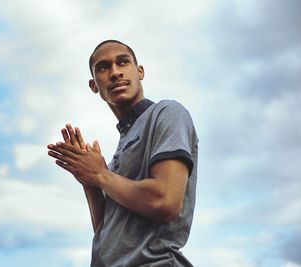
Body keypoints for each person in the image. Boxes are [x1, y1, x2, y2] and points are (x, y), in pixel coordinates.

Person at [47, 40, 198, 267]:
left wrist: (100, 175)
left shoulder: (167, 113)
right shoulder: (122, 144)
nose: (115, 72)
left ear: (140, 72)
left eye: (123, 62)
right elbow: (106, 233)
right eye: (103, 67)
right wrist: (90, 183)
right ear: (94, 85)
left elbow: (165, 201)